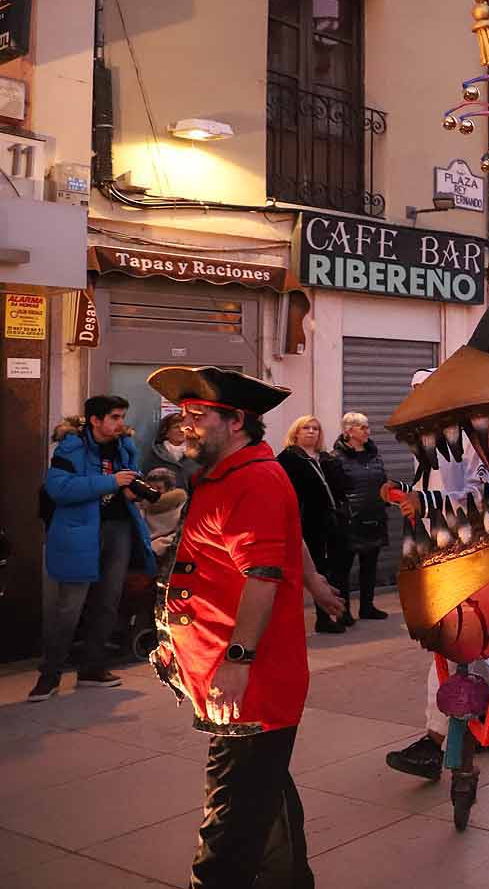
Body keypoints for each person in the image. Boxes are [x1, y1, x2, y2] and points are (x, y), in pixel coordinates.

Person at [145, 366, 345, 889]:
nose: (183, 424)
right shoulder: (231, 473)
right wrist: (318, 583)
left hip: (249, 687)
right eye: (182, 414)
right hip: (227, 674)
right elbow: (287, 534)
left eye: (196, 415)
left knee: (231, 818)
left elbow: (262, 576)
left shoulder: (251, 478)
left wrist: (238, 661)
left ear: (236, 421)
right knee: (264, 791)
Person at [385, 368, 489, 782]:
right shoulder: (428, 441)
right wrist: (406, 492)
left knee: (456, 643)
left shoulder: (472, 438)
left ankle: (435, 741)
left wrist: (422, 500)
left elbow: (487, 494)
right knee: (471, 645)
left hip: (471, 554)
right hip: (439, 553)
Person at [29, 395, 158, 702]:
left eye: (122, 416)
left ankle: (93, 668)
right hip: (80, 532)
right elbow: (58, 488)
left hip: (120, 529)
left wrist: (131, 490)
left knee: (108, 601)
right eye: (113, 417)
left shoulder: (125, 447)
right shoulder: (71, 447)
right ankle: (49, 675)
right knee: (68, 607)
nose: (120, 423)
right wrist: (111, 482)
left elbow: (129, 478)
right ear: (95, 420)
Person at [278, 416, 350, 634]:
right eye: (306, 428)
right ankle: (323, 618)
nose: (311, 432)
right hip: (307, 523)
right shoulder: (288, 459)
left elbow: (341, 486)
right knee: (316, 568)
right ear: (296, 432)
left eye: (315, 428)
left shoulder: (325, 458)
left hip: (333, 522)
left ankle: (340, 611)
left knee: (338, 566)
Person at [330, 412, 389, 622]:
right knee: (343, 569)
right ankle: (342, 611)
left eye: (367, 427)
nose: (368, 431)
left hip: (374, 515)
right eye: (362, 428)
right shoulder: (336, 457)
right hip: (350, 520)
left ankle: (367, 607)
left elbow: (382, 480)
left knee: (369, 565)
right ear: (349, 431)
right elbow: (335, 490)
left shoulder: (374, 454)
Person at [142, 411, 200, 493]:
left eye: (184, 427)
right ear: (166, 432)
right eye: (176, 427)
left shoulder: (196, 454)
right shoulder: (156, 454)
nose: (181, 430)